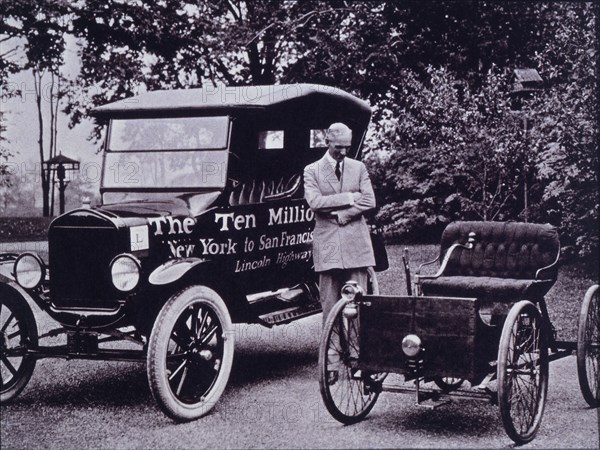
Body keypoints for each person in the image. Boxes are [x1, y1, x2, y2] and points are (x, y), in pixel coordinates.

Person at [303, 122, 376, 325]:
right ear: (327, 141)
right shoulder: (312, 170)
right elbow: (315, 202)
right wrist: (350, 197)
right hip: (328, 245)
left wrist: (342, 215)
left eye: (347, 147)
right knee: (330, 307)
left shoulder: (358, 167)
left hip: (356, 245)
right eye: (338, 147)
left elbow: (370, 200)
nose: (343, 152)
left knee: (358, 304)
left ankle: (356, 354)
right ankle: (332, 355)